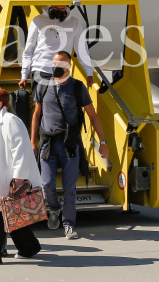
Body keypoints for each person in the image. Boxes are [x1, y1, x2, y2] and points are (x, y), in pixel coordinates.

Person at [31, 51, 109, 240]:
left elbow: (93, 116)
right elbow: (36, 114)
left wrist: (103, 142)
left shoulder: (77, 87)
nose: (56, 67)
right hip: (48, 142)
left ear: (69, 67)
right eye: (55, 63)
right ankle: (55, 209)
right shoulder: (43, 86)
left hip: (69, 144)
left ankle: (68, 224)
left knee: (70, 187)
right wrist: (32, 141)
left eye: (61, 64)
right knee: (46, 184)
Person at [0, 88, 43, 265]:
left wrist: (19, 178)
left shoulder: (11, 121)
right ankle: (29, 248)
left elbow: (21, 150)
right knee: (11, 214)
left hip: (7, 179)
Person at [19, 5, 94, 90]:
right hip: (40, 68)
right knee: (41, 102)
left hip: (62, 71)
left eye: (62, 9)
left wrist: (89, 72)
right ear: (51, 6)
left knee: (63, 102)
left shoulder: (74, 23)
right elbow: (29, 50)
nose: (59, 11)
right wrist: (24, 75)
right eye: (56, 8)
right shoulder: (38, 20)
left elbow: (82, 50)